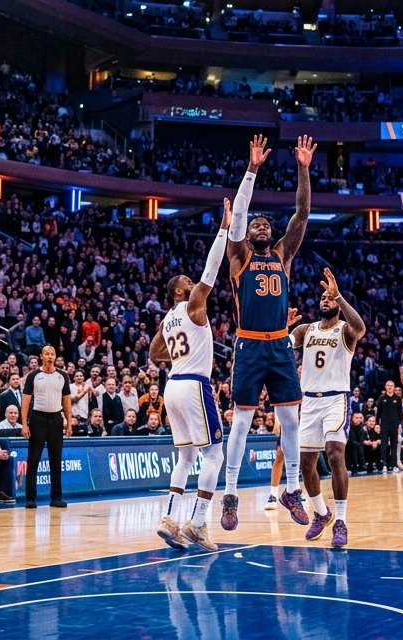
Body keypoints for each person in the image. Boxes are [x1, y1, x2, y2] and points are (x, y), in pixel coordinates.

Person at [220, 133, 316, 532]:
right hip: (248, 345)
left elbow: (302, 214)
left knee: (290, 421)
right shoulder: (239, 256)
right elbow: (238, 219)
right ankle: (230, 494)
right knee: (241, 423)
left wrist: (303, 169)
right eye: (254, 224)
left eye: (264, 224)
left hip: (279, 344)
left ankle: (292, 488)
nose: (259, 226)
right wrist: (252, 169)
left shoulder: (282, 254)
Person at [149, 199, 230, 553]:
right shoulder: (194, 304)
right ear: (181, 292)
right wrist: (224, 229)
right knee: (214, 455)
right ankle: (197, 523)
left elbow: (154, 354)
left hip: (173, 385)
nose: (192, 279)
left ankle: (168, 518)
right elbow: (212, 270)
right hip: (196, 383)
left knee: (184, 457)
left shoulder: (167, 318)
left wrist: (177, 353)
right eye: (187, 280)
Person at [293, 267, 365, 548]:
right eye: (323, 297)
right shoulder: (305, 330)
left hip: (336, 399)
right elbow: (283, 345)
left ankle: (342, 521)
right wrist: (279, 330)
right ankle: (321, 513)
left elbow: (360, 329)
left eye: (330, 298)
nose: (326, 299)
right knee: (306, 463)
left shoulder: (345, 330)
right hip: (309, 400)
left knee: (335, 455)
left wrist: (341, 296)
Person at [20, 343, 71, 509]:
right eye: (47, 354)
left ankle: (56, 497)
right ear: (41, 357)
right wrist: (24, 424)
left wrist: (69, 422)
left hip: (56, 419)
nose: (50, 356)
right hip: (38, 419)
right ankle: (30, 498)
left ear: (55, 357)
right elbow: (26, 400)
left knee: (56, 460)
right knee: (33, 459)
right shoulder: (33, 375)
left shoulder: (63, 376)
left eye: (52, 354)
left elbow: (67, 401)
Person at [375, 380, 403, 472]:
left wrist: (400, 425)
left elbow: (400, 414)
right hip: (384, 425)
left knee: (394, 445)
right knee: (384, 445)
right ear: (385, 387)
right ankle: (384, 465)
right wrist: (376, 424)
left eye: (392, 385)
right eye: (388, 385)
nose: (390, 387)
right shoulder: (381, 398)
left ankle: (394, 465)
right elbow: (378, 413)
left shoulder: (398, 398)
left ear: (394, 387)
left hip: (394, 425)